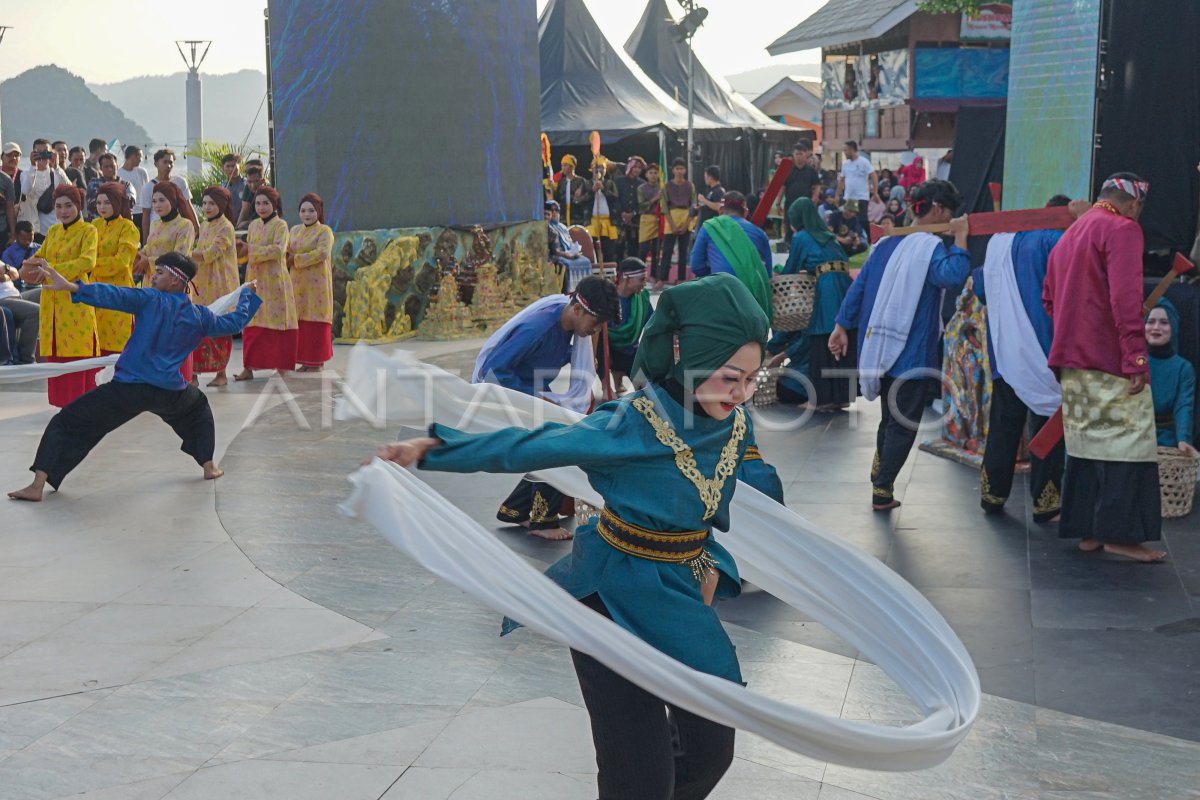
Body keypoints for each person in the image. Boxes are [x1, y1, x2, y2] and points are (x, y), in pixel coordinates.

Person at [373, 274, 768, 799]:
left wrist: (724, 563)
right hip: (609, 597)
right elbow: (536, 445)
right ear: (688, 354)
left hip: (682, 595)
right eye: (729, 377)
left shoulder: (734, 423)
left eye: (752, 379)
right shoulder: (635, 422)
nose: (741, 393)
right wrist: (433, 450)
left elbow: (750, 499)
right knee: (640, 776)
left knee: (710, 752)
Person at [7, 253, 262, 503]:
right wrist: (246, 295)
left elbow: (114, 295)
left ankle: (37, 485)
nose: (152, 277)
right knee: (198, 409)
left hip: (128, 391)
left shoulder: (150, 300)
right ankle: (209, 466)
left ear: (176, 280)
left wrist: (72, 287)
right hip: (170, 392)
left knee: (65, 423)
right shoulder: (200, 316)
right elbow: (233, 323)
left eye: (159, 272)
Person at [1043, 173, 1165, 562]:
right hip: (1109, 358)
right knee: (1127, 444)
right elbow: (1126, 299)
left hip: (1071, 360)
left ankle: (1088, 530)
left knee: (1086, 446)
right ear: (1134, 204)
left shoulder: (1070, 236)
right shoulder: (1122, 228)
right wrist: (1136, 356)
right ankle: (1120, 534)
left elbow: (1049, 299)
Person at [830, 179, 970, 510]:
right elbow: (952, 276)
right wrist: (961, 238)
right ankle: (882, 487)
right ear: (937, 209)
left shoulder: (886, 245)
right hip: (911, 349)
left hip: (878, 344)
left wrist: (841, 326)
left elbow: (859, 287)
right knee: (903, 422)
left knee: (890, 417)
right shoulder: (930, 248)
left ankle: (881, 476)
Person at [474, 276, 619, 540]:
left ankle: (516, 509)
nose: (596, 330)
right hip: (504, 395)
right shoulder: (537, 327)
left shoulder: (567, 324)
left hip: (530, 394)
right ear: (577, 309)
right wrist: (537, 400)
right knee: (561, 440)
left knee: (563, 430)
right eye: (595, 322)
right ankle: (542, 521)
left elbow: (557, 354)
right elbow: (493, 372)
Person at [974, 197, 1076, 523]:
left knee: (1004, 424)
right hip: (1043, 345)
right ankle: (1046, 503)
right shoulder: (1055, 240)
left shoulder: (997, 242)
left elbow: (980, 287)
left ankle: (993, 494)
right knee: (1047, 419)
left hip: (1005, 347)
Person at [18, 184, 101, 406]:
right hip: (51, 304)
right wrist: (32, 266)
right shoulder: (53, 231)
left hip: (75, 301)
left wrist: (49, 269)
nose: (63, 211)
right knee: (57, 357)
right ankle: (63, 410)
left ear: (78, 206)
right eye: (59, 206)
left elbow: (87, 261)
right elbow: (35, 259)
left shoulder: (88, 231)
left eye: (68, 206)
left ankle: (80, 409)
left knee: (76, 356)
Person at [779, 198, 854, 410]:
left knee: (822, 337)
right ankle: (841, 396)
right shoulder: (831, 238)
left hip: (827, 286)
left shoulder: (802, 237)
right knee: (842, 336)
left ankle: (820, 399)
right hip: (844, 285)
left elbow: (791, 268)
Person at [235, 186, 296, 381]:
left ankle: (282, 367)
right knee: (252, 321)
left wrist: (249, 249)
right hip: (255, 280)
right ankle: (249, 368)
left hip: (275, 281)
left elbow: (278, 251)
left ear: (275, 204)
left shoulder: (281, 226)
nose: (261, 207)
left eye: (266, 203)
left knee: (277, 322)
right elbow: (245, 252)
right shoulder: (252, 225)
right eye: (258, 203)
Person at [689, 192, 773, 321]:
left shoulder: (710, 227)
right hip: (751, 299)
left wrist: (716, 273)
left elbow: (696, 265)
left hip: (719, 292)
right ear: (745, 212)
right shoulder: (759, 233)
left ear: (721, 211)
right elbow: (766, 274)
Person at [191, 186, 241, 386]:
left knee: (219, 328)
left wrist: (183, 252)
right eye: (204, 203)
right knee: (198, 328)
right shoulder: (204, 226)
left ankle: (221, 374)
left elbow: (210, 254)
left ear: (221, 205)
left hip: (220, 283)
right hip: (202, 283)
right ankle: (193, 375)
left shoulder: (226, 227)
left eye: (212, 203)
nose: (207, 207)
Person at [90, 182, 140, 356]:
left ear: (118, 202)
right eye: (99, 203)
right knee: (95, 343)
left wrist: (90, 265)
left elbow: (122, 262)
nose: (102, 207)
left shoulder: (128, 227)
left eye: (107, 202)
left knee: (119, 344)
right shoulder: (94, 225)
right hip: (94, 292)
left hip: (119, 292)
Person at [288, 192, 335, 372]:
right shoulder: (294, 230)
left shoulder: (325, 231)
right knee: (301, 322)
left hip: (317, 286)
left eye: (311, 210)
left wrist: (296, 259)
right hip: (297, 284)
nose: (307, 214)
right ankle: (305, 360)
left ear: (319, 212)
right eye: (303, 210)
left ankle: (316, 361)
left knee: (316, 321)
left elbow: (322, 253)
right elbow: (286, 251)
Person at [1146, 299, 1197, 456]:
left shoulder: (1183, 368)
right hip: (1135, 437)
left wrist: (1183, 438)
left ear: (1173, 327)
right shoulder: (1137, 362)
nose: (1156, 327)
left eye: (1164, 322)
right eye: (1151, 321)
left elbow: (1184, 406)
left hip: (1169, 440)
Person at [600, 256, 653, 394]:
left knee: (646, 391)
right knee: (599, 341)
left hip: (631, 351)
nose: (644, 284)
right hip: (608, 351)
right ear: (627, 279)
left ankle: (621, 375)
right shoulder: (607, 296)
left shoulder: (642, 297)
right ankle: (606, 386)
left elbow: (652, 323)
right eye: (642, 280)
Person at [20, 141, 70, 239]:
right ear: (33, 153)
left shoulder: (57, 172)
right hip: (39, 229)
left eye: (46, 152)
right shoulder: (26, 174)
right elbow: (26, 190)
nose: (42, 156)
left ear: (52, 154)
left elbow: (69, 188)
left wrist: (56, 166)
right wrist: (33, 166)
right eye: (38, 152)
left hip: (59, 225)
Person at [137, 149, 189, 243]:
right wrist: (145, 241)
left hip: (176, 230)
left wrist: (196, 227)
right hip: (156, 232)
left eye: (171, 162)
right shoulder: (148, 187)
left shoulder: (180, 182)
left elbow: (188, 206)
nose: (168, 166)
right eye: (165, 162)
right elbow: (146, 215)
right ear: (156, 163)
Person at [659, 158, 695, 286]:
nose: (679, 171)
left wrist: (687, 224)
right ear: (673, 170)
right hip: (671, 217)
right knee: (667, 250)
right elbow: (664, 207)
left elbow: (693, 205)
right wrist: (672, 224)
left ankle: (681, 278)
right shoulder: (667, 186)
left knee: (683, 250)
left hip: (686, 216)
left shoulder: (690, 185)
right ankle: (662, 279)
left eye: (681, 168)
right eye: (677, 168)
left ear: (685, 170)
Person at [545, 199, 593, 291]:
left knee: (585, 261)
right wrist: (565, 254)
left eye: (556, 210)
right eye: (552, 210)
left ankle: (586, 291)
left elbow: (569, 243)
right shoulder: (548, 228)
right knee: (567, 265)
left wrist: (574, 252)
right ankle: (570, 291)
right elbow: (553, 250)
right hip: (558, 255)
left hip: (569, 254)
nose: (554, 213)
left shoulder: (562, 227)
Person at [0, 259, 39, 363]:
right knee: (36, 311)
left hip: (17, 295)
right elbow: (6, 277)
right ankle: (26, 359)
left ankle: (60, 345)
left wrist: (6, 269)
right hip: (3, 300)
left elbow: (16, 274)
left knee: (46, 293)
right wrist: (7, 274)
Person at [783, 142, 820, 243]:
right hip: (790, 202)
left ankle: (806, 243)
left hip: (805, 203)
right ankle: (789, 244)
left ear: (806, 155)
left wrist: (814, 199)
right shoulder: (788, 170)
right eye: (796, 154)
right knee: (789, 224)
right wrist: (778, 202)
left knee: (806, 224)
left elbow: (817, 185)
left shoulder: (811, 171)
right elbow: (783, 186)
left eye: (801, 154)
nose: (799, 156)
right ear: (793, 155)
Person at [84, 152, 136, 221]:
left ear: (117, 166)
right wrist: (117, 198)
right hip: (98, 226)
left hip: (121, 226)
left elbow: (130, 202)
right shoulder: (94, 183)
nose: (110, 169)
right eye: (106, 167)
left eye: (112, 166)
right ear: (101, 168)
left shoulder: (126, 185)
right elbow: (92, 203)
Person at [586, 157, 619, 264]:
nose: (598, 170)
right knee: (593, 251)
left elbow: (615, 198)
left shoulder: (610, 183)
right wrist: (592, 191)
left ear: (605, 170)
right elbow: (579, 201)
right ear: (592, 169)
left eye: (601, 167)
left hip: (607, 222)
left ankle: (608, 276)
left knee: (608, 251)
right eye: (596, 168)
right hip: (592, 222)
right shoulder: (586, 183)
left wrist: (603, 189)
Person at [614, 156, 645, 260]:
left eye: (639, 167)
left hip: (635, 221)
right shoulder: (619, 181)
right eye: (635, 166)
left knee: (634, 248)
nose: (637, 169)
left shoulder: (642, 184)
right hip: (620, 220)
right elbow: (615, 199)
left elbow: (642, 203)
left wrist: (633, 214)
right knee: (618, 248)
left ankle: (632, 272)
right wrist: (622, 213)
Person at [637, 163, 663, 286]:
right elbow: (641, 205)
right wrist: (655, 198)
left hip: (659, 220)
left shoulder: (662, 187)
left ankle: (654, 275)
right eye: (651, 173)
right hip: (646, 220)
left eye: (655, 173)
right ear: (646, 175)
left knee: (656, 251)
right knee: (643, 249)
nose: (653, 175)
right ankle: (640, 274)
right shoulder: (641, 188)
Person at [835, 140, 877, 207]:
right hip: (849, 198)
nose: (844, 152)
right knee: (850, 217)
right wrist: (837, 195)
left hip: (861, 198)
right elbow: (841, 180)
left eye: (845, 150)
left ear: (851, 150)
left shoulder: (864, 162)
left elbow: (874, 175)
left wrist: (875, 192)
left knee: (861, 217)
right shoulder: (845, 164)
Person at [117, 146, 150, 232]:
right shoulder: (118, 173)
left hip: (143, 211)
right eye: (140, 156)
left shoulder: (142, 172)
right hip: (128, 212)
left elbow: (148, 190)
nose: (141, 159)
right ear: (133, 156)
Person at [554, 155, 591, 228]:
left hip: (577, 216)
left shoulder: (581, 181)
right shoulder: (561, 182)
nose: (563, 168)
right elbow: (557, 198)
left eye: (565, 165)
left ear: (572, 167)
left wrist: (579, 199)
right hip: (563, 217)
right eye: (562, 165)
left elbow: (588, 197)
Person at [235, 165, 269, 231]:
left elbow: (268, 216)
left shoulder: (268, 191)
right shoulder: (247, 188)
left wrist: (248, 223)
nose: (253, 185)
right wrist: (237, 228)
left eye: (256, 181)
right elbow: (244, 210)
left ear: (263, 181)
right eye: (249, 182)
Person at [221, 153, 246, 223]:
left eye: (233, 166)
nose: (231, 169)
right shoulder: (223, 186)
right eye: (228, 166)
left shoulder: (247, 184)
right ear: (223, 168)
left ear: (239, 166)